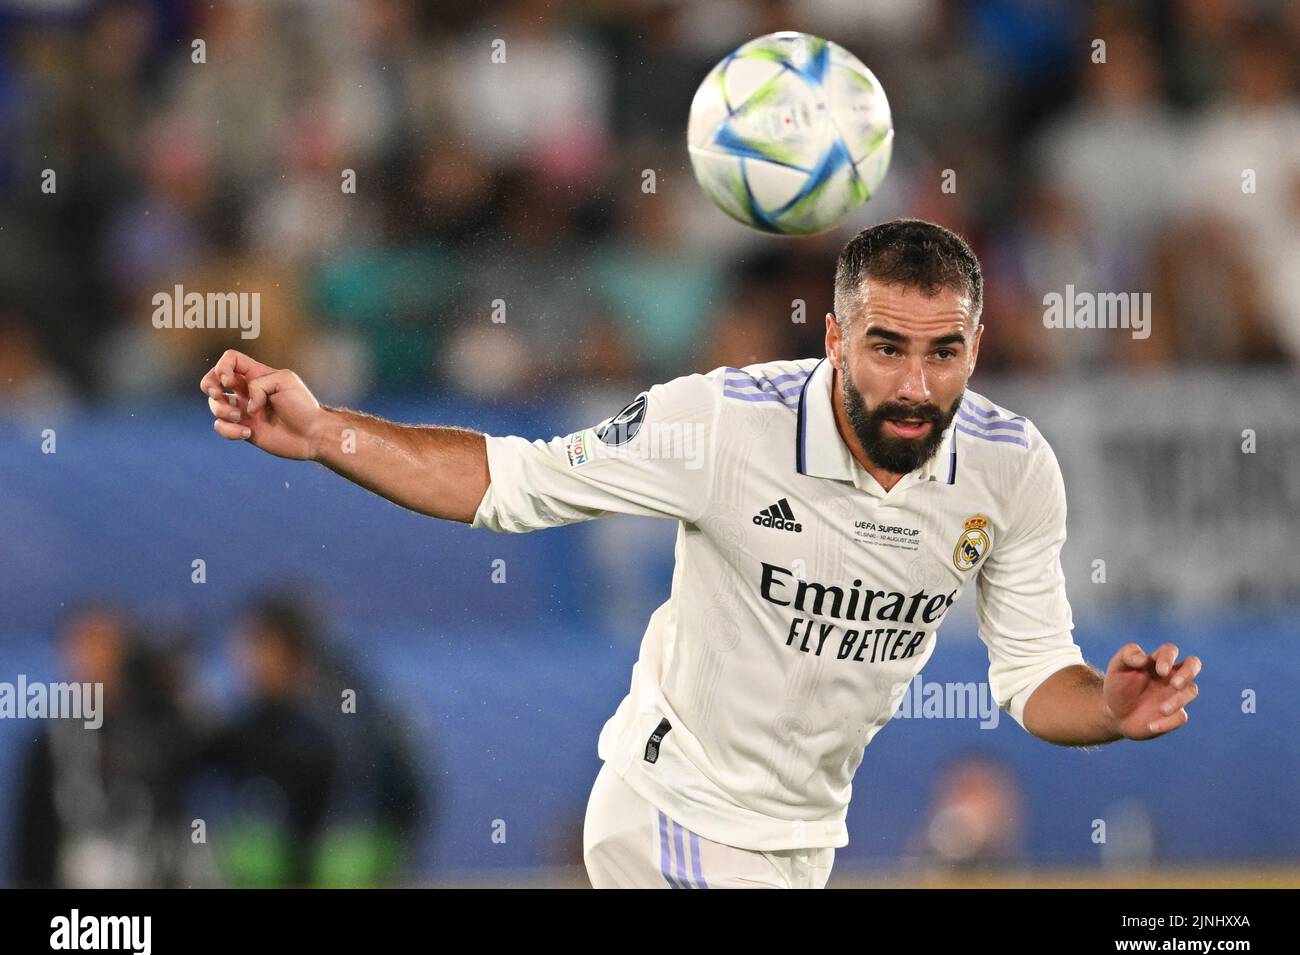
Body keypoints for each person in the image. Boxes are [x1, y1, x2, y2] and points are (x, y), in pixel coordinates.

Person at [199, 218, 1203, 889]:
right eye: (886, 346)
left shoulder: (1011, 469)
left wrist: (1108, 708)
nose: (913, 383)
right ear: (834, 336)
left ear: (974, 349)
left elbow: (1033, 680)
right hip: (668, 814)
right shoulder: (723, 424)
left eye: (942, 352)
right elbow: (509, 482)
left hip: (799, 842)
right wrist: (325, 429)